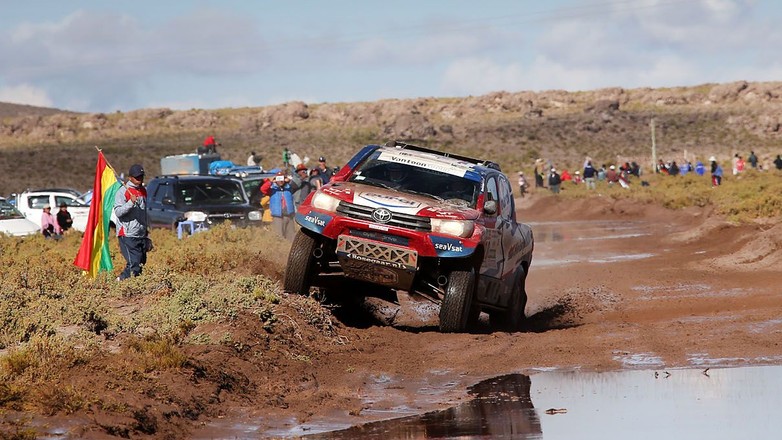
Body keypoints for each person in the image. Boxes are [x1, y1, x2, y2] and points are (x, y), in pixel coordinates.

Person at [114, 163, 149, 280]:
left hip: (140, 233)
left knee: (141, 263)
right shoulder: (123, 191)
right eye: (137, 177)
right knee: (134, 263)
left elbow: (144, 212)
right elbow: (118, 212)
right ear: (130, 177)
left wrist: (146, 230)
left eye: (141, 176)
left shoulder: (143, 191)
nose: (139, 179)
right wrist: (130, 203)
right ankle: (120, 282)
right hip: (127, 234)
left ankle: (136, 285)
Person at [261, 171, 297, 241]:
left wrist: (289, 180)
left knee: (291, 236)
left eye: (282, 178)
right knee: (279, 235)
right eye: (279, 178)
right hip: (277, 216)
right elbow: (263, 189)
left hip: (289, 215)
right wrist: (271, 181)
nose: (280, 181)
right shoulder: (272, 189)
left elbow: (296, 185)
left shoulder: (289, 187)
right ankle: (280, 246)